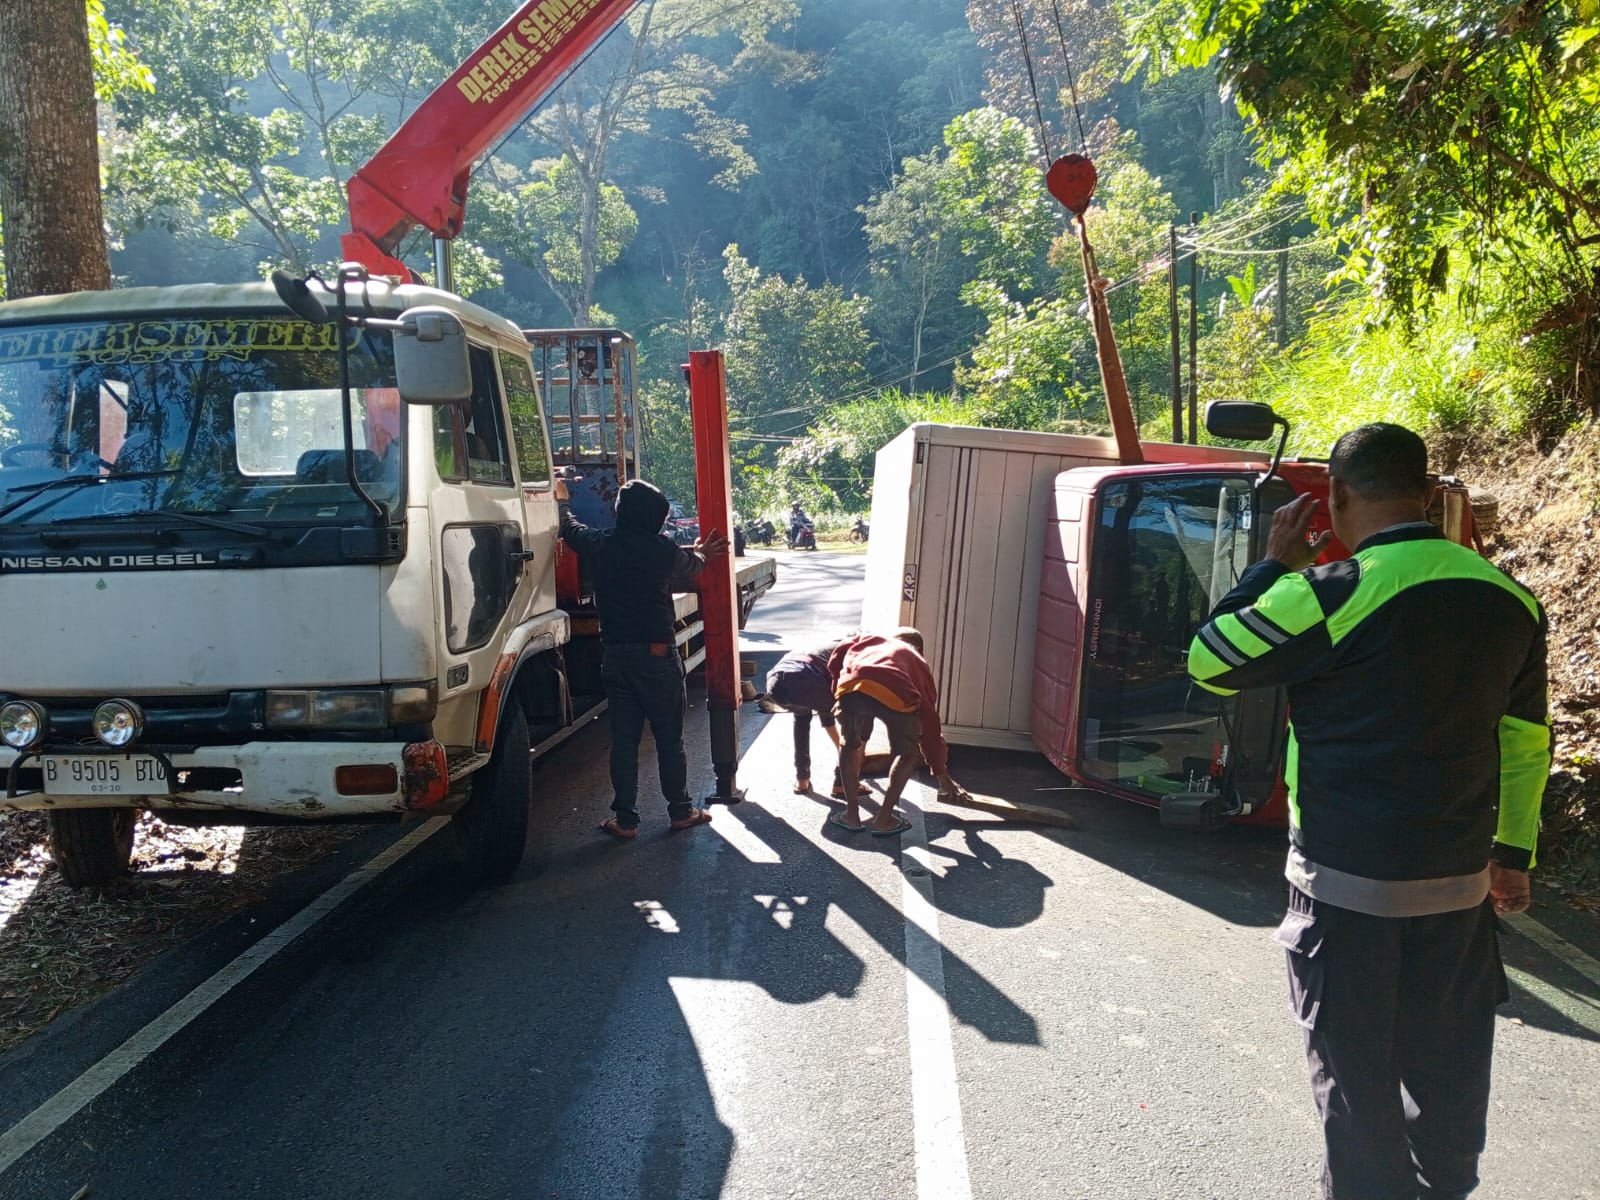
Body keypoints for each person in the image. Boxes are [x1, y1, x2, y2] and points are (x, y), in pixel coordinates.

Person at [1186, 423, 1548, 1200]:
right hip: (1456, 893)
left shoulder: (1333, 591)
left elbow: (1211, 660)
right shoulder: (1511, 598)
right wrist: (1511, 855)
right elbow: (1524, 744)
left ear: (1339, 496)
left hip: (1346, 890)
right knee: (1448, 1067)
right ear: (1424, 493)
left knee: (1355, 1077)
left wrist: (1271, 568)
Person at [555, 472, 729, 840]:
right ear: (656, 517)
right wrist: (704, 553)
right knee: (669, 739)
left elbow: (569, 530)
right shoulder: (662, 550)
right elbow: (693, 564)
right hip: (657, 657)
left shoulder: (601, 544)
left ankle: (625, 820)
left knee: (624, 742)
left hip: (615, 658)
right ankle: (681, 812)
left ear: (620, 511)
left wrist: (562, 500)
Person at [828, 627, 969, 835]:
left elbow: (836, 658)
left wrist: (837, 692)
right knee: (907, 755)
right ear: (919, 649)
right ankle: (884, 820)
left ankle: (851, 816)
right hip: (897, 692)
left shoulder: (867, 639)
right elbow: (929, 725)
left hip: (853, 687)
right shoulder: (916, 661)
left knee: (848, 746)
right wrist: (942, 775)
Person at [756, 638, 869, 799]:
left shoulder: (821, 646)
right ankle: (842, 784)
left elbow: (825, 710)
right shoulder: (850, 652)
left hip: (775, 684)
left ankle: (802, 780)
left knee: (801, 718)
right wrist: (847, 748)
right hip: (805, 678)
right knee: (850, 728)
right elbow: (829, 707)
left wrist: (840, 746)